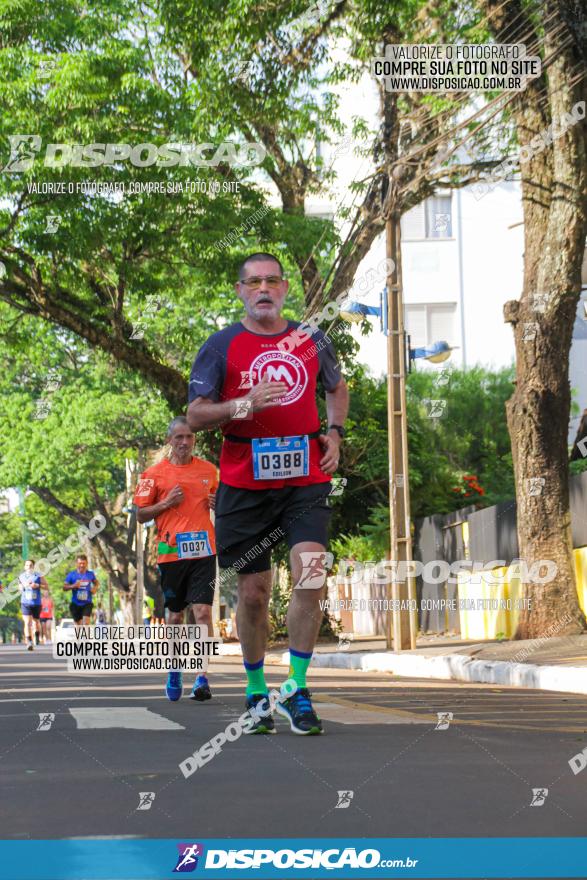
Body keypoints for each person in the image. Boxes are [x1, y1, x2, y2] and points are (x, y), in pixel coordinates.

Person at [187, 252, 348, 734]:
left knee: (311, 577)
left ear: (284, 289)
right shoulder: (220, 347)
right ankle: (257, 693)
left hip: (305, 480)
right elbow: (195, 415)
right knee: (253, 594)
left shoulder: (311, 339)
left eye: (272, 281)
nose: (263, 289)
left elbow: (336, 388)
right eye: (253, 282)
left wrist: (335, 433)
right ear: (240, 290)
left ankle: (297, 689)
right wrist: (242, 404)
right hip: (243, 482)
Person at [133, 417, 219, 702]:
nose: (184, 442)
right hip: (171, 554)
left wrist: (219, 504)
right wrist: (166, 503)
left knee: (204, 613)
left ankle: (202, 677)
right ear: (169, 440)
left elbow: (224, 500)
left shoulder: (209, 470)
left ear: (195, 440)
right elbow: (140, 514)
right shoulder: (152, 475)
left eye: (190, 437)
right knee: (174, 616)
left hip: (204, 551)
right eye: (179, 437)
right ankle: (174, 667)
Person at [63, 555, 98, 630]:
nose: (82, 565)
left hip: (87, 603)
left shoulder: (90, 574)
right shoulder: (71, 575)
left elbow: (96, 582)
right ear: (77, 563)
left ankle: (86, 641)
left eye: (83, 563)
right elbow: (64, 587)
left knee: (86, 622)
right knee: (78, 625)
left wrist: (95, 588)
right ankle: (79, 641)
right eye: (80, 563)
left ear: (87, 563)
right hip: (75, 603)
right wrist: (73, 586)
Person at [19, 560, 48, 651]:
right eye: (27, 565)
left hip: (36, 603)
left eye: (31, 565)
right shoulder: (21, 576)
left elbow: (46, 586)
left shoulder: (38, 575)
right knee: (27, 622)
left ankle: (36, 635)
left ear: (34, 566)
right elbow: (20, 589)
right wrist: (24, 586)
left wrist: (37, 585)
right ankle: (29, 642)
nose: (29, 567)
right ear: (24, 567)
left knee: (36, 622)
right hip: (25, 602)